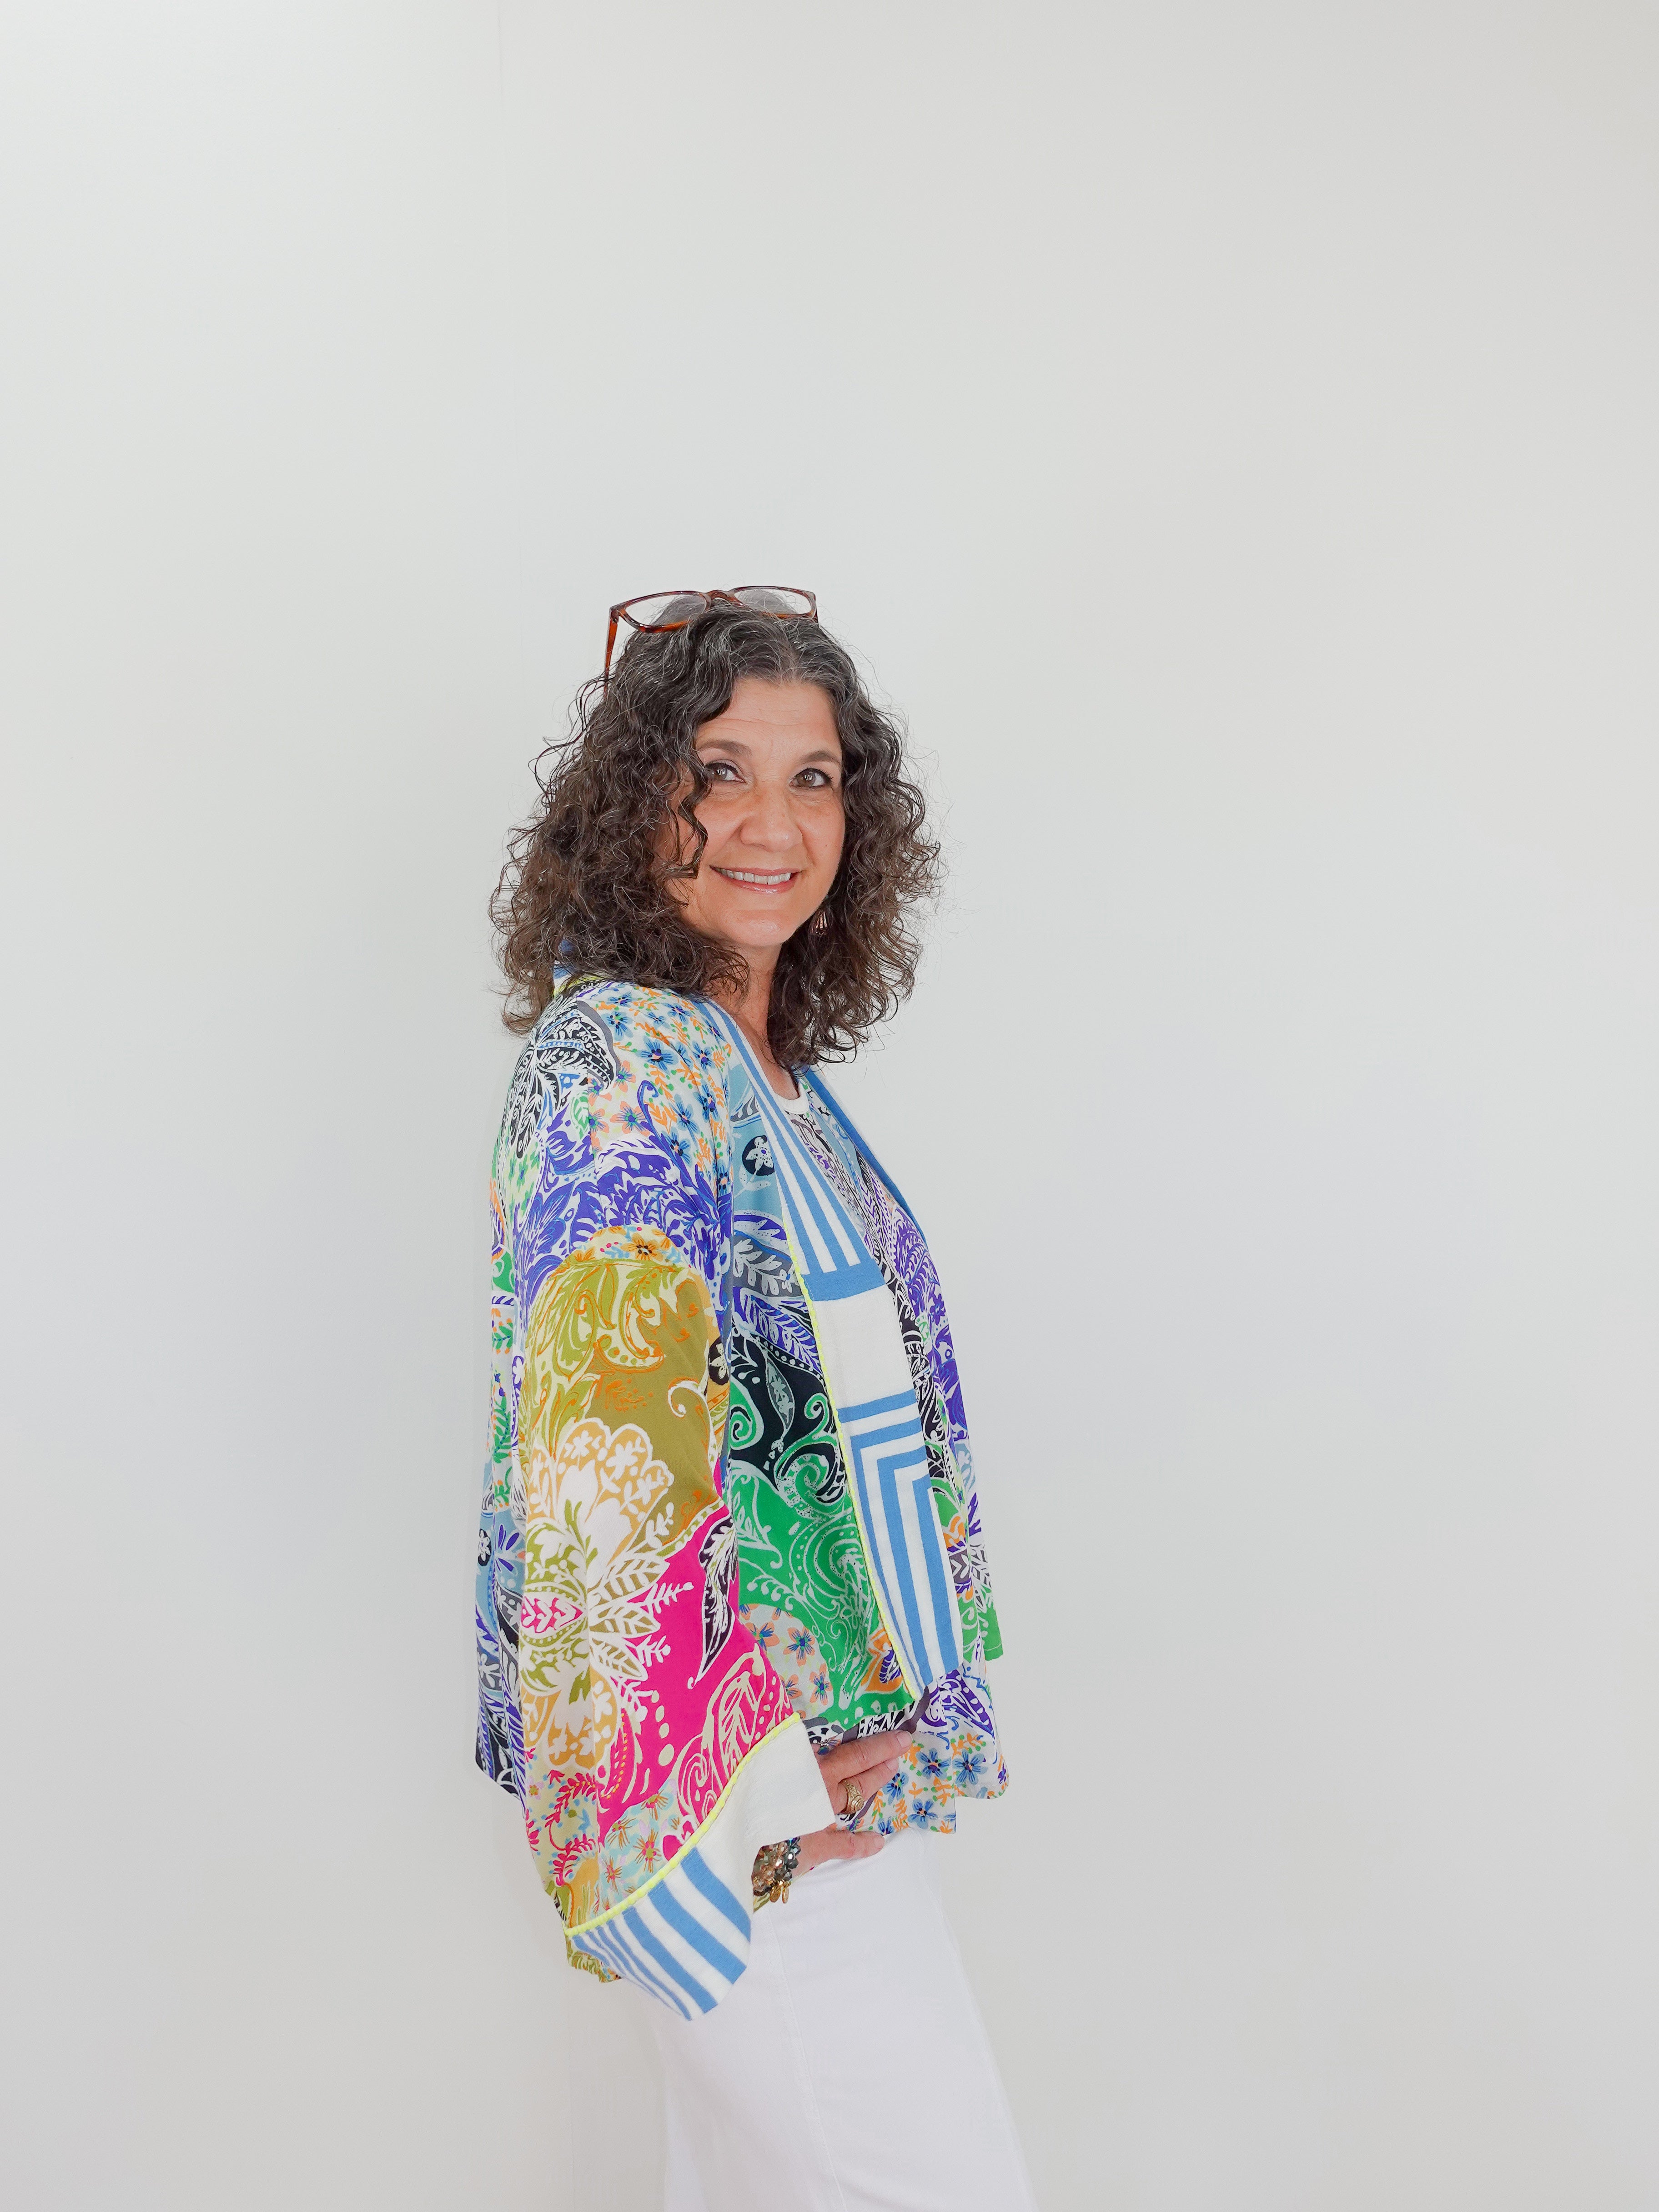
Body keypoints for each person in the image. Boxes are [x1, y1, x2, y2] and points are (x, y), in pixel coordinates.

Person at [477, 588, 1034, 2210]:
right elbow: (603, 1466)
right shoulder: (621, 1067)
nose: (772, 827)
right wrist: (755, 1786)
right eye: (718, 772)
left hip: (826, 1781)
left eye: (815, 779)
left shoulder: (764, 1074)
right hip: (743, 1812)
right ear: (633, 798)